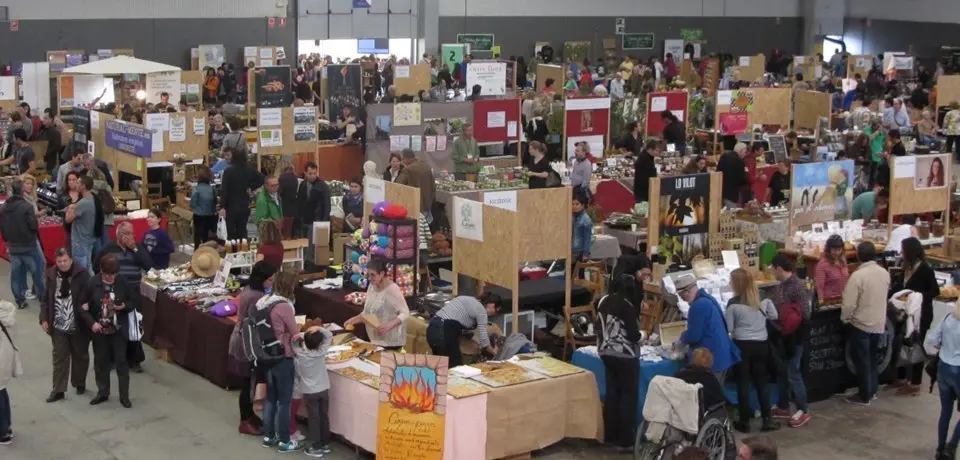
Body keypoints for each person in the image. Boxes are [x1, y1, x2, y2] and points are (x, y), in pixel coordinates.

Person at [725, 268, 780, 433]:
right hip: (761, 344)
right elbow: (774, 316)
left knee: (743, 383)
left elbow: (730, 328)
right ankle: (767, 419)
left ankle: (744, 421)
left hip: (742, 345)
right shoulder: (763, 299)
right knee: (761, 382)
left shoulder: (733, 304)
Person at [255, 270, 304, 453]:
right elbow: (295, 333)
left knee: (270, 398)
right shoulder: (284, 306)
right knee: (284, 401)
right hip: (283, 356)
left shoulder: (262, 301)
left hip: (265, 356)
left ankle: (269, 436)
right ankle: (285, 440)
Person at [595, 274, 644, 450]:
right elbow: (633, 335)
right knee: (627, 398)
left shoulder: (603, 301)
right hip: (625, 355)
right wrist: (643, 335)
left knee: (612, 395)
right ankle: (624, 440)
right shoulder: (627, 306)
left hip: (605, 352)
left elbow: (598, 327)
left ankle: (610, 435)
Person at [228, 261, 276, 436]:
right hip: (246, 343)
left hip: (241, 338)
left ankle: (249, 416)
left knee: (249, 381)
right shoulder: (256, 297)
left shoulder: (249, 291)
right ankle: (245, 420)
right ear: (262, 279)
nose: (272, 283)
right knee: (247, 383)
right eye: (270, 280)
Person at [39, 247, 91, 403]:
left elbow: (89, 296)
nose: (62, 264)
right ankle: (58, 390)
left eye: (65, 261)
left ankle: (79, 382)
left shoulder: (82, 275)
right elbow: (45, 298)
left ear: (71, 260)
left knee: (80, 356)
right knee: (59, 358)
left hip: (78, 325)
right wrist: (44, 318)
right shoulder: (51, 274)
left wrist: (87, 306)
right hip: (58, 324)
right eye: (59, 261)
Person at [841, 241, 890, 405]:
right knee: (872, 359)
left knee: (862, 361)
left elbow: (849, 303)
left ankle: (864, 395)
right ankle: (873, 390)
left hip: (861, 324)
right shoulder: (884, 273)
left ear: (859, 256)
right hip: (878, 323)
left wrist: (845, 318)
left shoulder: (858, 276)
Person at [84, 254, 135, 408]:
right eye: (108, 275)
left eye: (114, 274)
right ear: (101, 271)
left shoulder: (122, 282)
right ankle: (103, 392)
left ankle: (124, 396)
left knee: (121, 362)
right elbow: (83, 307)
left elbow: (134, 300)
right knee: (101, 362)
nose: (111, 277)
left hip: (118, 330)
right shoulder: (92, 283)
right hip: (100, 331)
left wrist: (123, 306)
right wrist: (92, 323)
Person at [768, 254, 812, 427]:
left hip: (796, 338)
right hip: (784, 336)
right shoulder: (782, 286)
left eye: (772, 268)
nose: (771, 272)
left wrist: (790, 318)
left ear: (779, 268)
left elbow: (806, 313)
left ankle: (804, 409)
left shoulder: (797, 286)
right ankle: (784, 406)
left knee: (793, 373)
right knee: (783, 371)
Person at [676, 274, 740, 381]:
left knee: (709, 394)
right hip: (719, 355)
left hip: (711, 358)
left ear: (686, 291)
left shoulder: (698, 306)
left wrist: (682, 338)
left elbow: (694, 336)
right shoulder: (707, 299)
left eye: (681, 295)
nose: (682, 298)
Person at [896, 237, 939, 396]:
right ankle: (901, 378)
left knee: (917, 345)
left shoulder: (925, 269)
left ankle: (915, 382)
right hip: (907, 314)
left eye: (903, 250)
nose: (901, 253)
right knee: (904, 343)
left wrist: (918, 297)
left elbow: (935, 291)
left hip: (921, 315)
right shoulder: (905, 267)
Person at [344, 259, 409, 351]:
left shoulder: (392, 289)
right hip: (374, 340)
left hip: (390, 343)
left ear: (382, 274)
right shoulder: (372, 286)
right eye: (368, 275)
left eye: (373, 275)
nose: (369, 278)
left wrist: (388, 326)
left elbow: (405, 313)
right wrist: (354, 320)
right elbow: (367, 312)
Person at [924, 296, 960, 460]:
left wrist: (942, 345)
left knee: (945, 411)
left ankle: (940, 449)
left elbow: (931, 339)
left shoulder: (948, 317)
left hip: (943, 368)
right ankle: (951, 447)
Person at [0, 180, 44, 310]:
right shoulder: (26, 207)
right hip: (28, 245)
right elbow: (33, 225)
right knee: (37, 271)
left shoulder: (3, 208)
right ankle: (42, 297)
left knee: (16, 273)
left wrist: (8, 240)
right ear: (21, 191)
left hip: (12, 245)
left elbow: (2, 228)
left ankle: (20, 300)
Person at [427, 293, 501, 367]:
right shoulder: (481, 310)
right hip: (444, 330)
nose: (493, 314)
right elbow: (484, 342)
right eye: (495, 310)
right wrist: (494, 352)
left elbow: (461, 324)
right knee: (455, 367)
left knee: (440, 368)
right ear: (492, 305)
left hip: (432, 328)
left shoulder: (465, 298)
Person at [295, 324, 334, 458]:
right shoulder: (321, 352)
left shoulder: (300, 354)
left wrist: (301, 334)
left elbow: (293, 341)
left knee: (313, 418)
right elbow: (329, 335)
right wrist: (318, 328)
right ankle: (325, 443)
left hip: (309, 392)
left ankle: (316, 446)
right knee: (324, 415)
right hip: (323, 389)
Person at [220, 147, 264, 240]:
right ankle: (244, 249)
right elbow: (262, 179)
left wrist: (222, 206)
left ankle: (233, 251)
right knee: (242, 229)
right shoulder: (249, 170)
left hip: (231, 206)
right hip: (244, 204)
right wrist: (251, 187)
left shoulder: (228, 171)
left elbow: (224, 189)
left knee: (231, 231)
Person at [396, 148, 437, 223]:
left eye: (403, 159)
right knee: (425, 230)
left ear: (406, 158)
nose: (403, 162)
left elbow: (397, 186)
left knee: (416, 231)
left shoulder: (407, 170)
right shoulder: (427, 166)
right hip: (427, 205)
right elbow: (433, 187)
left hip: (414, 206)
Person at [66, 176, 97, 272]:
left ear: (83, 186)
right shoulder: (93, 198)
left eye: (78, 183)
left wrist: (70, 208)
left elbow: (68, 219)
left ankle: (82, 286)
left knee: (80, 269)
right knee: (88, 266)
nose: (76, 185)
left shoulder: (83, 203)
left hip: (80, 240)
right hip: (89, 238)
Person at [295, 162, 332, 239]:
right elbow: (299, 203)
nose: (313, 176)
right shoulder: (302, 185)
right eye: (310, 173)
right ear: (305, 173)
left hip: (317, 220)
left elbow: (327, 205)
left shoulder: (322, 186)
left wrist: (324, 223)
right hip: (304, 221)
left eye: (314, 173)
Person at [814, 235, 849, 303]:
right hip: (830, 301)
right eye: (834, 250)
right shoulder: (822, 265)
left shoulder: (843, 260)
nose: (837, 253)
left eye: (839, 249)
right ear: (828, 249)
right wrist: (821, 303)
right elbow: (820, 287)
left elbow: (845, 280)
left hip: (844, 298)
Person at [0, 298, 16, 445]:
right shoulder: (4, 309)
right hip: (4, 356)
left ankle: (3, 431)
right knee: (2, 391)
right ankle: (6, 427)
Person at [190, 166, 218, 248]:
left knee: (198, 236)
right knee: (208, 237)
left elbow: (193, 204)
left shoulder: (196, 189)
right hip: (211, 216)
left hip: (199, 216)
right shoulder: (212, 189)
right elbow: (215, 202)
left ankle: (197, 252)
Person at [717, 142, 749, 208]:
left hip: (720, 190)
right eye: (745, 152)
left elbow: (718, 172)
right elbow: (742, 180)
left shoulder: (723, 157)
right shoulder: (739, 162)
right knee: (731, 214)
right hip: (732, 194)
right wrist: (746, 172)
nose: (745, 155)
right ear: (741, 151)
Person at [42, 108, 68, 173]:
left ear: (51, 118)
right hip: (61, 141)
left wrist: (47, 151)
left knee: (60, 160)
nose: (43, 120)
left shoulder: (56, 123)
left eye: (46, 118)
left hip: (63, 142)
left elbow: (56, 138)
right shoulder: (53, 123)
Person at [277, 162, 299, 238]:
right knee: (293, 228)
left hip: (285, 205)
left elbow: (280, 191)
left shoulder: (282, 177)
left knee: (286, 228)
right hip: (294, 205)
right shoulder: (295, 177)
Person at [571, 192, 592, 263]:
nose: (574, 206)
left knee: (577, 273)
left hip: (579, 251)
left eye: (577, 204)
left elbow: (587, 238)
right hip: (571, 250)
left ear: (582, 205)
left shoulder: (586, 220)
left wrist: (585, 254)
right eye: (573, 204)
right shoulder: (572, 216)